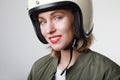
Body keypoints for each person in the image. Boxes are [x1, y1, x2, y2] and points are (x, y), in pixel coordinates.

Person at [27, 0, 120, 80]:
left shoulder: (108, 72)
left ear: (79, 20)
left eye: (57, 18)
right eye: (42, 22)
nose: (49, 30)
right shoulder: (38, 67)